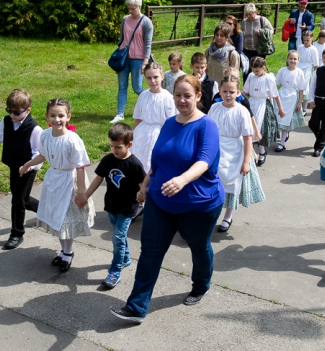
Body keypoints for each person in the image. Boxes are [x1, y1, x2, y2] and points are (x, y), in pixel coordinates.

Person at [111, 75, 223, 324]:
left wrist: (183, 180)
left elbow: (204, 161)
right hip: (161, 202)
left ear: (198, 96)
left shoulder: (207, 126)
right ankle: (136, 307)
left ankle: (201, 284)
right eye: (177, 95)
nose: (181, 100)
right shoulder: (170, 123)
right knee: (150, 252)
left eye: (187, 95)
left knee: (199, 247)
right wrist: (145, 185)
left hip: (199, 204)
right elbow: (158, 160)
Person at [19, 98, 95, 273]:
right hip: (54, 179)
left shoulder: (73, 140)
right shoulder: (45, 135)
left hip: (70, 181)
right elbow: (43, 156)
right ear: (47, 116)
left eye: (61, 115)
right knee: (56, 218)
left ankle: (68, 252)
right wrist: (27, 164)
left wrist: (82, 192)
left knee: (64, 219)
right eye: (53, 115)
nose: (57, 119)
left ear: (68, 117)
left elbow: (80, 166)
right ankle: (64, 250)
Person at [0, 89, 43, 250]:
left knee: (18, 200)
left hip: (27, 168)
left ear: (28, 110)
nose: (12, 115)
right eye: (9, 111)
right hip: (13, 164)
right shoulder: (6, 121)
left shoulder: (34, 129)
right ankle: (45, 211)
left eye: (16, 112)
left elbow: (38, 152)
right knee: (22, 198)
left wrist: (29, 166)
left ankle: (17, 233)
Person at [84, 123, 145, 289]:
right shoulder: (108, 159)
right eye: (111, 146)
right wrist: (86, 195)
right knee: (119, 235)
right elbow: (98, 178)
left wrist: (143, 196)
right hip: (111, 205)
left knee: (118, 237)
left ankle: (115, 271)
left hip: (128, 207)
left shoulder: (134, 164)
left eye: (118, 147)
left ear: (129, 144)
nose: (114, 150)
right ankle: (125, 258)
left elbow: (142, 184)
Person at [209, 75, 265, 233]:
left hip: (235, 150)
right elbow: (208, 129)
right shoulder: (214, 108)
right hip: (217, 148)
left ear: (238, 93)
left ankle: (228, 215)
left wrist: (246, 162)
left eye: (231, 92)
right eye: (224, 91)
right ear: (219, 91)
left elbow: (248, 138)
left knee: (231, 183)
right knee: (215, 181)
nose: (227, 95)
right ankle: (212, 213)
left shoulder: (242, 111)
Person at [111, 0, 154, 124]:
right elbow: (122, 38)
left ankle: (153, 102)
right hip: (124, 58)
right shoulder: (125, 20)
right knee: (122, 86)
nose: (130, 11)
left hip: (139, 59)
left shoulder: (146, 22)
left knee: (137, 88)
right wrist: (119, 51)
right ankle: (120, 114)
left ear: (139, 6)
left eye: (132, 8)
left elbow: (148, 43)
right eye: (128, 8)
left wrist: (145, 62)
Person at [130, 62, 177, 173]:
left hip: (159, 133)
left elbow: (172, 122)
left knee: (152, 160)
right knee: (138, 157)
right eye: (149, 78)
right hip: (142, 132)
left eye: (155, 77)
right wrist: (132, 135)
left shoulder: (168, 98)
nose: (153, 81)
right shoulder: (143, 95)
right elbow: (138, 118)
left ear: (162, 76)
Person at [243, 57, 284, 166]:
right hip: (252, 103)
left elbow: (275, 95)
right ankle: (250, 152)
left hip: (263, 104)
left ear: (263, 68)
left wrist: (280, 108)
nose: (255, 73)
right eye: (253, 70)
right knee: (249, 127)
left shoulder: (269, 79)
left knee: (262, 129)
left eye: (257, 70)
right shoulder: (251, 76)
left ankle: (262, 151)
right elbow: (245, 91)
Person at [275, 51, 307, 152]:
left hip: (292, 97)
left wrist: (299, 103)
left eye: (295, 59)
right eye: (291, 58)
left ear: (298, 60)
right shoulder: (282, 70)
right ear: (287, 59)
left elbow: (302, 89)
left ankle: (282, 142)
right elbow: (275, 84)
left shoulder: (299, 72)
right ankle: (281, 135)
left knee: (287, 119)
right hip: (281, 95)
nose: (292, 61)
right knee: (278, 116)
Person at [241, 4, 274, 75]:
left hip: (259, 50)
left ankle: (259, 84)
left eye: (250, 14)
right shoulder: (244, 21)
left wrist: (262, 33)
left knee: (258, 70)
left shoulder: (262, 20)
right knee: (246, 71)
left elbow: (271, 30)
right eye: (247, 14)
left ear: (255, 12)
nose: (248, 16)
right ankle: (247, 85)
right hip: (246, 49)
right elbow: (241, 33)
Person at [297, 30, 320, 113]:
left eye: (308, 40)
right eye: (304, 40)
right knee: (297, 85)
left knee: (306, 87)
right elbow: (297, 57)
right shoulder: (300, 47)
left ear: (311, 39)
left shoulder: (313, 49)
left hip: (308, 68)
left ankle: (304, 108)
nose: (306, 42)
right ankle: (297, 105)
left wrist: (316, 73)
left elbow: (316, 64)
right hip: (299, 67)